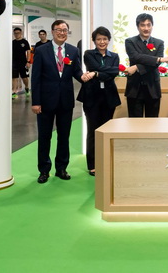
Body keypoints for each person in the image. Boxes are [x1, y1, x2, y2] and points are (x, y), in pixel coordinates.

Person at [30, 20, 84, 183]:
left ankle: (61, 168)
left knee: (64, 136)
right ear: (52, 32)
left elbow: (76, 71)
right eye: (58, 30)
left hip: (65, 101)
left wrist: (84, 77)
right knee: (44, 137)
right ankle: (44, 170)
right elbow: (35, 78)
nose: (62, 33)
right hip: (45, 101)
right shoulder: (41, 50)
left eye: (65, 30)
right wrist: (35, 102)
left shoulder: (73, 51)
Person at [77, 26, 121, 175]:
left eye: (105, 39)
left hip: (109, 97)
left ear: (109, 40)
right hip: (92, 97)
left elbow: (114, 72)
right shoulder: (88, 54)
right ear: (94, 41)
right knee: (93, 130)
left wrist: (95, 73)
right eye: (99, 39)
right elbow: (96, 67)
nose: (102, 42)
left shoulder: (114, 56)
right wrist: (101, 71)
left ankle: (106, 161)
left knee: (106, 130)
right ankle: (93, 164)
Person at [125, 13, 166, 118]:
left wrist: (137, 67)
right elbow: (135, 57)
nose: (146, 28)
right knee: (134, 123)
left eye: (149, 25)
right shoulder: (130, 41)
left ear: (152, 26)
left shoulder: (159, 43)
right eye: (142, 25)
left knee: (152, 123)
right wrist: (156, 59)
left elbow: (156, 65)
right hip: (135, 88)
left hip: (153, 88)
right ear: (137, 26)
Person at [11, 27, 31, 98]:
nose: (16, 34)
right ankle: (14, 92)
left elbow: (28, 52)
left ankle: (27, 87)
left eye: (18, 33)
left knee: (24, 78)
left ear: (21, 33)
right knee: (14, 78)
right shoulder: (12, 42)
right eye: (15, 33)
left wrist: (28, 61)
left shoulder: (25, 42)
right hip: (14, 63)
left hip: (23, 63)